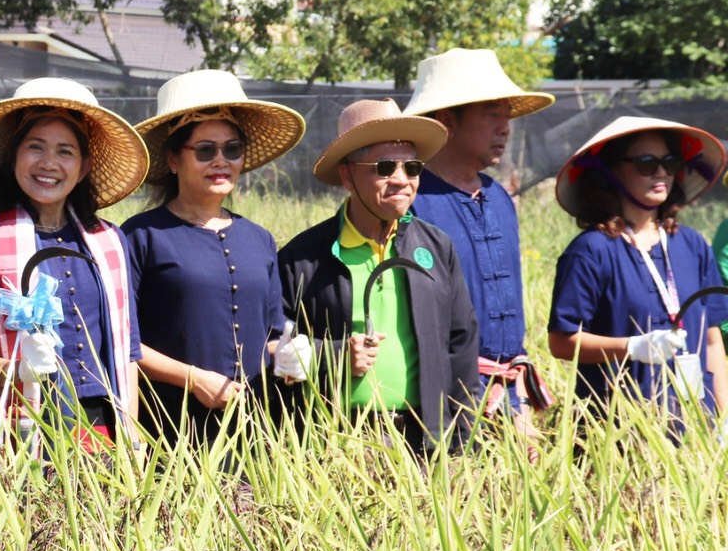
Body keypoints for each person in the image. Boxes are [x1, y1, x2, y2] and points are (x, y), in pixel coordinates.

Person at [0, 78, 147, 450]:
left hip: (103, 428)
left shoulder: (110, 242)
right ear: (13, 157)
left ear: (84, 167)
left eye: (65, 151)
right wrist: (18, 369)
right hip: (20, 431)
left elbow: (129, 351)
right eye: (35, 147)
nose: (48, 163)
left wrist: (133, 440)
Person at [277, 99, 479, 456]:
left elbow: (460, 345)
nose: (401, 180)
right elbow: (272, 348)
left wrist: (462, 444)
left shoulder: (437, 247)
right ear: (347, 176)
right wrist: (334, 356)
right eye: (384, 167)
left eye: (412, 168)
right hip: (334, 445)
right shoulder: (303, 257)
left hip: (423, 442)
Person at [123, 69, 306, 445]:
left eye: (232, 149)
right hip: (172, 432)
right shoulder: (139, 236)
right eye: (205, 150)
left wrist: (290, 355)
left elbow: (272, 336)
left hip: (256, 434)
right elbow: (121, 342)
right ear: (174, 159)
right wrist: (193, 379)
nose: (221, 161)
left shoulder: (259, 239)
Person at [404, 49, 555, 454]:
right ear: (446, 121)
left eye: (507, 115)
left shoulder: (498, 197)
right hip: (440, 396)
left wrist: (520, 403)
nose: (505, 128)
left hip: (508, 395)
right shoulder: (411, 201)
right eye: (491, 115)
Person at [547, 117, 728, 435]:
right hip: (617, 433)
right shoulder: (591, 251)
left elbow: (712, 340)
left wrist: (724, 419)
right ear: (610, 172)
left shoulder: (692, 245)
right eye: (646, 163)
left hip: (697, 430)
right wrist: (631, 347)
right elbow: (561, 342)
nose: (661, 173)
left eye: (669, 162)